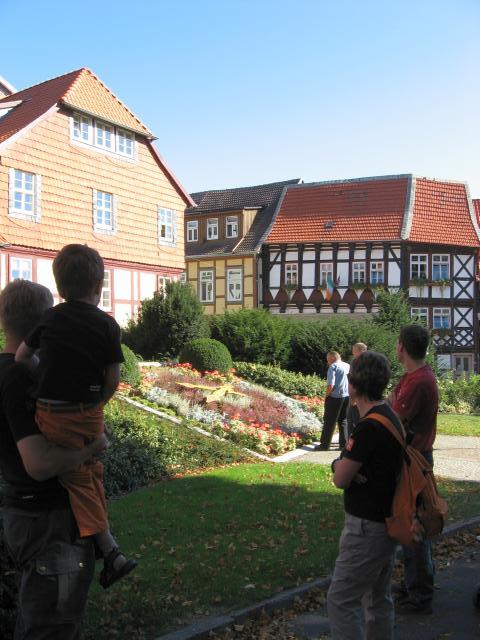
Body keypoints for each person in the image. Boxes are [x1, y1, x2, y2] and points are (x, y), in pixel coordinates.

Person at [16, 244, 136, 589]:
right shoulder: (108, 325)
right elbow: (113, 379)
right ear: (99, 286)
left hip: (53, 414)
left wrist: (44, 374)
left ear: (60, 286)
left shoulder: (49, 318)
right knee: (86, 475)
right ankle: (109, 550)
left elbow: (24, 357)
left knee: (81, 476)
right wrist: (97, 404)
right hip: (88, 413)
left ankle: (108, 550)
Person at [0, 279, 108, 639]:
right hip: (48, 522)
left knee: (38, 619)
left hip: (26, 515)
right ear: (44, 323)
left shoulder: (9, 370)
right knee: (51, 629)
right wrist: (91, 449)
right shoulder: (18, 377)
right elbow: (39, 463)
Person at [327, 351, 404, 640]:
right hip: (386, 521)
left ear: (354, 386)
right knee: (377, 598)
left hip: (366, 527)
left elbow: (340, 478)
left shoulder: (369, 427)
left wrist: (339, 463)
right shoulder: (389, 416)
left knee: (341, 600)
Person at [389, 324, 438, 615]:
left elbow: (397, 420)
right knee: (411, 525)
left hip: (414, 463)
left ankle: (420, 593)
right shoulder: (416, 376)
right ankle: (415, 584)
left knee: (415, 527)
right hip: (414, 459)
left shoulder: (419, 382)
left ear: (401, 347)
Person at [317, 351, 350, 450]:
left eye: (328, 359)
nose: (327, 362)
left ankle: (324, 445)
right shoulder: (347, 365)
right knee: (343, 420)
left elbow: (330, 385)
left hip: (335, 397)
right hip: (346, 396)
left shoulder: (333, 367)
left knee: (329, 421)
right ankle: (343, 445)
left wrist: (326, 396)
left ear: (332, 358)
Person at [346, 342, 367, 438]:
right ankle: (350, 442)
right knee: (350, 419)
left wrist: (354, 396)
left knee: (356, 419)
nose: (353, 352)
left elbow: (356, 379)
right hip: (355, 395)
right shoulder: (355, 361)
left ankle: (356, 442)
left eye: (354, 350)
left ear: (362, 350)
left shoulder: (365, 362)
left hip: (360, 395)